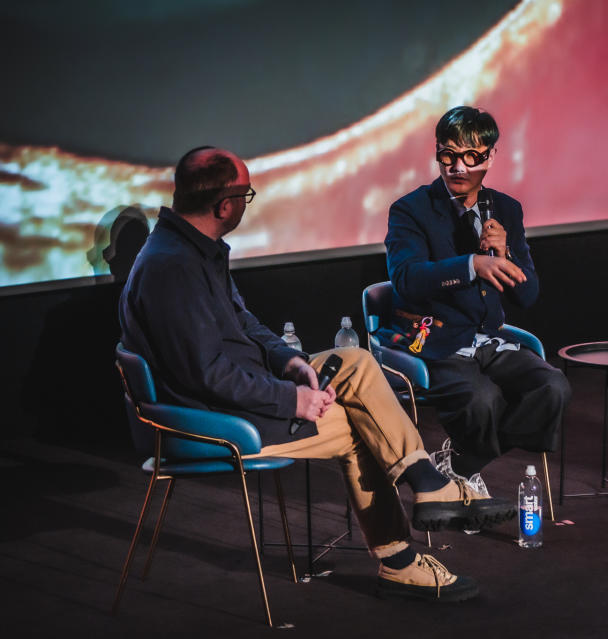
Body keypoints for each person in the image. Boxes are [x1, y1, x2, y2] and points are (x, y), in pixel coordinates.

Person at [119, 146, 517, 602]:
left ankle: (428, 482)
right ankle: (401, 558)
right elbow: (206, 376)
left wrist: (288, 361)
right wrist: (292, 400)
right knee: (357, 427)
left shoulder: (194, 248)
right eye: (245, 195)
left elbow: (242, 322)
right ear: (224, 205)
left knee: (359, 363)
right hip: (211, 417)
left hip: (240, 387)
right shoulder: (171, 267)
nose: (245, 204)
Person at [380, 106, 571, 505]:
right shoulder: (410, 211)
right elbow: (406, 280)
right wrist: (471, 265)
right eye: (448, 155)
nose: (458, 166)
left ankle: (460, 467)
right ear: (437, 153)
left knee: (552, 387)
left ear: (491, 156)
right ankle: (463, 473)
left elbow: (528, 295)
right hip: (434, 339)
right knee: (483, 400)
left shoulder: (506, 210)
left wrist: (507, 257)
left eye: (472, 156)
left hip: (489, 339)